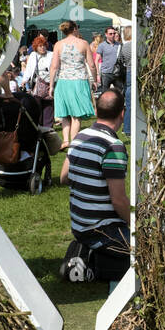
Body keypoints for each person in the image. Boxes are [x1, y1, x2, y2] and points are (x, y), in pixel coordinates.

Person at [65, 89, 129, 279]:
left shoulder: (81, 136)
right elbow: (118, 200)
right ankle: (92, 261)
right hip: (102, 230)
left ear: (96, 109)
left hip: (79, 225)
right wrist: (134, 224)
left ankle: (82, 256)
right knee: (149, 248)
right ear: (122, 113)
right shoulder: (113, 146)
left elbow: (63, 176)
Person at [50, 20, 98, 180]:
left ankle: (65, 140)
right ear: (75, 29)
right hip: (78, 81)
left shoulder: (58, 44)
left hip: (63, 81)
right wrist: (95, 80)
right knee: (76, 115)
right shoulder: (83, 43)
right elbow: (91, 65)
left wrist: (51, 85)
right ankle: (75, 141)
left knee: (64, 114)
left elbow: (54, 66)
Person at [19, 34, 54, 128]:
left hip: (50, 83)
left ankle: (48, 128)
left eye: (44, 45)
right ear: (36, 47)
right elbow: (29, 69)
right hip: (37, 84)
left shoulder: (51, 55)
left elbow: (55, 69)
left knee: (49, 106)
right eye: (40, 46)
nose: (42, 48)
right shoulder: (33, 55)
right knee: (37, 106)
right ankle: (38, 126)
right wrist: (24, 80)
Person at [97, 25, 123, 92]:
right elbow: (96, 60)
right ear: (106, 34)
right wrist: (97, 75)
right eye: (110, 34)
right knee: (105, 94)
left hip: (117, 73)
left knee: (120, 93)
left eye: (114, 33)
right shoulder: (102, 45)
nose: (112, 35)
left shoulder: (119, 45)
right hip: (106, 74)